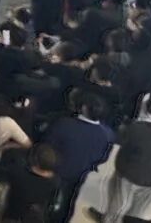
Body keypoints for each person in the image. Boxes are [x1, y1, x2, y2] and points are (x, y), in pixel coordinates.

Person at [92, 100, 151, 223]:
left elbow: (118, 138)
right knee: (138, 209)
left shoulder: (138, 128)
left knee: (117, 203)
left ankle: (108, 221)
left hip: (128, 174)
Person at [44, 94, 115, 223]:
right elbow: (103, 158)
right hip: (82, 176)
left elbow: (46, 147)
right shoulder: (108, 134)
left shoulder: (64, 124)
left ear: (83, 108)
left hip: (56, 172)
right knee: (68, 205)